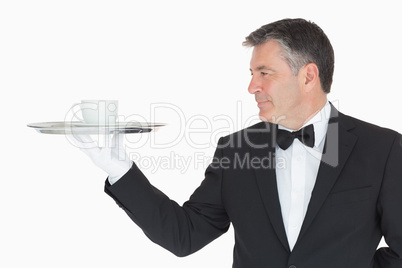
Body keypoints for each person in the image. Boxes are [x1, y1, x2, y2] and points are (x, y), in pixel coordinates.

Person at [71, 18, 402, 267]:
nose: (251, 87)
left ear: (308, 76)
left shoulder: (383, 149)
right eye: (251, 74)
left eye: (264, 73)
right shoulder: (237, 149)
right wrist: (121, 171)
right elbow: (184, 235)